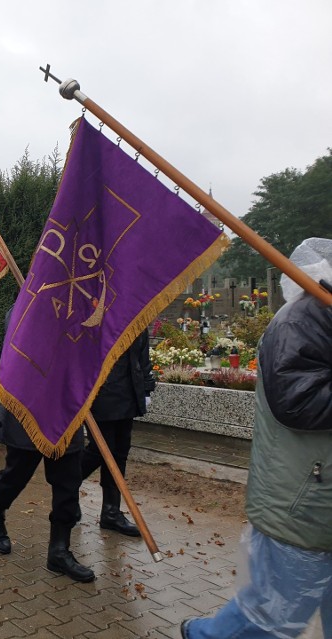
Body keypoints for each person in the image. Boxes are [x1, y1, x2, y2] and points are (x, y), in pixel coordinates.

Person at [181, 237, 332, 639]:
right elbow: (299, 402)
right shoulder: (302, 321)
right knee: (271, 614)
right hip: (305, 501)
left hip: (319, 499)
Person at [0, 309, 94, 583]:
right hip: (28, 406)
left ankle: (59, 550)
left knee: (68, 483)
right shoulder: (27, 304)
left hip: (66, 408)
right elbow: (24, 342)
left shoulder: (81, 306)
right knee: (16, 475)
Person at [79, 328, 155, 536]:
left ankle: (111, 512)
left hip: (129, 391)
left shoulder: (135, 309)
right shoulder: (98, 310)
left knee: (120, 452)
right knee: (100, 450)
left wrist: (146, 387)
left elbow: (142, 351)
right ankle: (67, 487)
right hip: (102, 392)